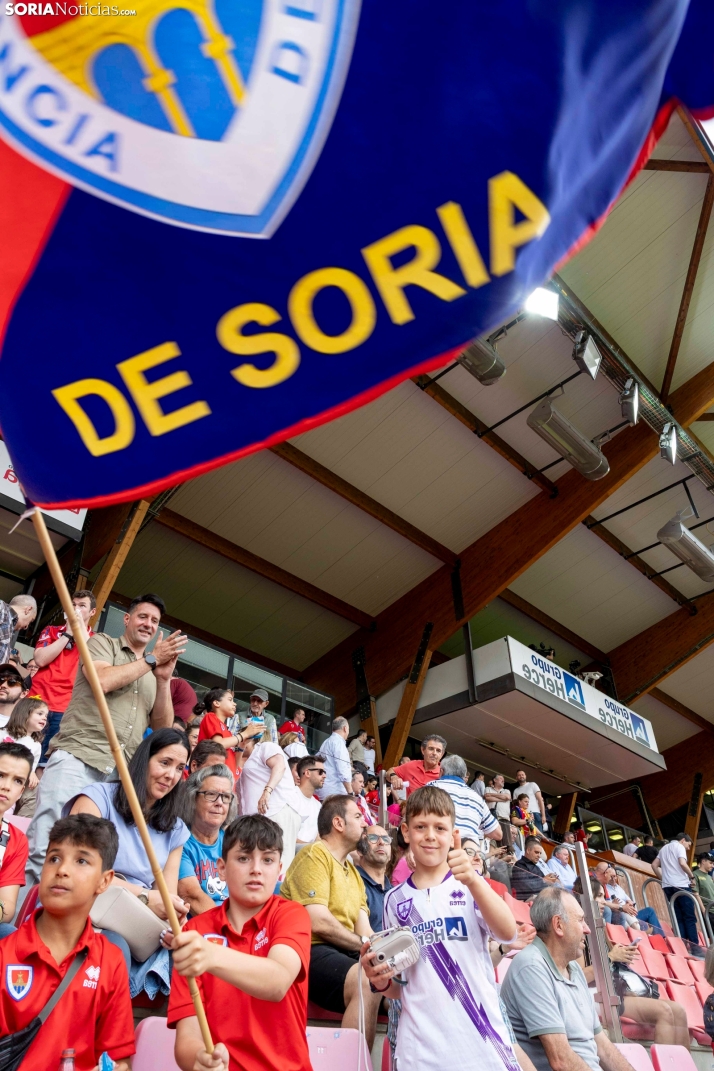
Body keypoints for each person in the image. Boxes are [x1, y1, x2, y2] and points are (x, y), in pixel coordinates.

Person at [27, 593, 188, 883]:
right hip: (78, 755)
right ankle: (22, 926)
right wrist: (153, 659)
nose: (148, 624)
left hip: (118, 775)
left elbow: (163, 729)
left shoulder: (154, 672)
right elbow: (102, 681)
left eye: (154, 621)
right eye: (142, 616)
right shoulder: (102, 642)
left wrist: (163, 679)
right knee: (47, 846)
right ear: (127, 619)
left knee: (90, 859)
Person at [362, 786, 520, 1071]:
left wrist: (473, 880)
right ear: (407, 832)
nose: (431, 836)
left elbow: (508, 933)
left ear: (453, 835)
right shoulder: (393, 900)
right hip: (421, 1051)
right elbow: (401, 988)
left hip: (482, 1043)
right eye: (421, 827)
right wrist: (381, 980)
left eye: (440, 827)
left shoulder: (470, 884)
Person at [166, 814, 312, 1071]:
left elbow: (277, 982)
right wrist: (199, 1059)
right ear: (221, 867)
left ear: (279, 870)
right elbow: (187, 1036)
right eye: (243, 858)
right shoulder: (195, 931)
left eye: (267, 860)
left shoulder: (291, 915)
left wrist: (211, 956)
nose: (256, 869)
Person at [0, 813, 134, 1068]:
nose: (61, 870)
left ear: (105, 880)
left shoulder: (110, 961)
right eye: (54, 858)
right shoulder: (4, 955)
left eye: (81, 860)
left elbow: (119, 1060)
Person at [281, 794, 382, 1046]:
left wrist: (387, 949)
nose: (364, 825)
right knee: (366, 980)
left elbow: (365, 930)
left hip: (343, 952)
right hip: (309, 950)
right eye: (358, 817)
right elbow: (318, 922)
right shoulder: (315, 854)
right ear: (338, 823)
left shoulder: (353, 873)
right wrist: (364, 944)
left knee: (404, 985)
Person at [65, 726, 191, 925]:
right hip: (86, 907)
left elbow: (166, 896)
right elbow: (75, 868)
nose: (171, 775)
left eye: (179, 768)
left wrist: (172, 916)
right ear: (144, 761)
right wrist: (145, 897)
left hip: (136, 920)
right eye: (165, 763)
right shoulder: (98, 798)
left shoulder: (175, 829)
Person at [502, 887, 636, 1071]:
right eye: (581, 920)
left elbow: (603, 1048)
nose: (587, 929)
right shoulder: (531, 967)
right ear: (558, 925)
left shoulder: (573, 969)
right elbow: (561, 1060)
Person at [572, 877, 688, 1045]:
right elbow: (578, 977)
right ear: (584, 898)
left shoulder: (599, 926)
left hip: (612, 989)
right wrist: (612, 957)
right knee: (664, 1011)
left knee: (679, 1011)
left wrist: (621, 956)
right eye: (598, 897)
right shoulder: (577, 931)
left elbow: (609, 965)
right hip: (593, 994)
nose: (603, 901)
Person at [31, 589, 97, 767]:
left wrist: (78, 628)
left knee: (47, 763)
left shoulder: (96, 639)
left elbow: (92, 660)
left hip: (66, 707)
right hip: (36, 700)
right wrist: (67, 634)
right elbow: (40, 659)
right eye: (73, 605)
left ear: (92, 612)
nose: (75, 609)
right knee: (20, 750)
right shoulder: (52, 630)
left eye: (82, 606)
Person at [238, 735, 301, 875]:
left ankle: (279, 895)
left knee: (278, 866)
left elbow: (280, 766)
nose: (239, 743)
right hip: (257, 820)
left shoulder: (265, 747)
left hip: (277, 811)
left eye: (243, 739)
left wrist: (267, 791)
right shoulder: (240, 759)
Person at [178, 763, 237, 915]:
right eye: (211, 794)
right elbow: (191, 896)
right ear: (193, 798)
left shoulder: (233, 840)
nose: (219, 803)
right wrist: (229, 928)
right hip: (208, 925)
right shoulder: (180, 841)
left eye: (225, 797)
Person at [432, 753, 501, 848]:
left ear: (441, 771)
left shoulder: (430, 788)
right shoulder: (477, 798)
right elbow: (498, 834)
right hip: (467, 854)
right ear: (464, 776)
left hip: (433, 847)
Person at [0, 740, 33, 937]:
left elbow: (8, 907)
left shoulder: (16, 839)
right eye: (1, 775)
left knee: (10, 934)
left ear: (22, 791)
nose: (6, 786)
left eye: (17, 781)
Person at [195, 687, 263, 780]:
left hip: (226, 780)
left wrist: (242, 745)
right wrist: (244, 734)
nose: (234, 704)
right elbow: (218, 745)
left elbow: (235, 767)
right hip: (211, 778)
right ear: (216, 703)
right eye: (230, 700)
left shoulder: (227, 732)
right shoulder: (210, 717)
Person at [653, 832, 702, 951]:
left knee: (679, 917)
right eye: (688, 845)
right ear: (683, 840)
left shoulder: (663, 848)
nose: (688, 848)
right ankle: (695, 947)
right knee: (689, 917)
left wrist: (663, 879)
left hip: (668, 886)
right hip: (681, 885)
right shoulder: (679, 847)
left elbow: (654, 865)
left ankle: (683, 945)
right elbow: (682, 863)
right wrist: (691, 877)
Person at [352, 825, 392, 932]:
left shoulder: (394, 892)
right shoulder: (352, 882)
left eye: (386, 839)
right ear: (360, 851)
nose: (381, 843)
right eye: (373, 838)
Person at [1, 695, 48, 784]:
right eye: (40, 713)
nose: (45, 718)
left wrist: (32, 773)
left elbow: (31, 767)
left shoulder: (36, 745)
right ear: (24, 713)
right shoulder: (3, 733)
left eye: (46, 715)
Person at [388, 733, 446, 798]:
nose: (434, 753)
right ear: (423, 750)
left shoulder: (445, 773)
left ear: (442, 754)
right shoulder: (411, 765)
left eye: (438, 751)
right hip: (410, 807)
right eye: (431, 749)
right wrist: (394, 777)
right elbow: (390, 771)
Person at [511, 836, 559, 902]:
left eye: (540, 853)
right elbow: (527, 887)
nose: (539, 855)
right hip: (529, 901)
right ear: (528, 850)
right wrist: (544, 881)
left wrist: (550, 879)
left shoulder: (535, 867)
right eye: (536, 852)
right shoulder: (519, 865)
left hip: (542, 898)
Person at [293, 754, 325, 845]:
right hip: (293, 850)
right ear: (307, 773)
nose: (324, 776)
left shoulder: (317, 805)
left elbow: (318, 836)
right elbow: (285, 836)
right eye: (320, 772)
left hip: (311, 852)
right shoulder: (290, 797)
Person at [319, 716, 352, 798]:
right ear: (345, 728)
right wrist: (350, 792)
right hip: (335, 792)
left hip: (324, 790)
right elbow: (343, 769)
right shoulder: (339, 743)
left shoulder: (326, 742)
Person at [0, 593, 36, 665]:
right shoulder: (2, 608)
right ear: (28, 609)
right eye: (30, 621)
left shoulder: (9, 627)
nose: (26, 627)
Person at [485, 773, 512, 846]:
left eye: (503, 779)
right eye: (500, 778)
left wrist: (492, 795)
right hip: (491, 818)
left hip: (504, 818)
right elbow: (487, 798)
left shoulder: (506, 791)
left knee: (505, 843)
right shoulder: (488, 789)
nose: (503, 780)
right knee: (491, 841)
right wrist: (502, 799)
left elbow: (507, 797)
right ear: (495, 780)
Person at [0, 661, 27, 728]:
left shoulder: (20, 729)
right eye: (1, 680)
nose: (3, 685)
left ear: (23, 693)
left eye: (12, 682)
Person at [694, 853, 714, 922]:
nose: (712, 866)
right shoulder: (695, 874)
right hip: (708, 911)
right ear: (703, 861)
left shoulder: (709, 877)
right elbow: (696, 894)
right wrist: (703, 910)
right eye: (710, 863)